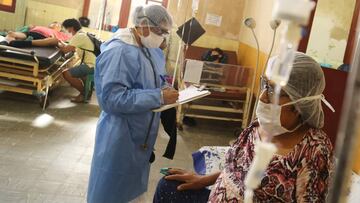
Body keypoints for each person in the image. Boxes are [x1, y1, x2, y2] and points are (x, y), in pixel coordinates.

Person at [154, 52, 334, 202]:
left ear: (300, 103)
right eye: (265, 84)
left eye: (274, 91)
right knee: (168, 185)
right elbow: (234, 170)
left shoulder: (313, 150)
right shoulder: (258, 127)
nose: (262, 97)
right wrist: (202, 180)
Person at [87, 5, 179, 203]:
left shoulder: (152, 51)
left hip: (141, 135)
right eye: (160, 31)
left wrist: (166, 89)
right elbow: (112, 99)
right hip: (119, 136)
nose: (163, 37)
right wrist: (159, 97)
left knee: (133, 189)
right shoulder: (119, 52)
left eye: (165, 32)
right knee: (111, 191)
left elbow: (156, 79)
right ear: (143, 25)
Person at [59, 18, 96, 103]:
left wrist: (56, 43)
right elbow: (72, 46)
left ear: (71, 28)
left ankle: (83, 94)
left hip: (91, 65)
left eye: (67, 29)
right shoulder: (83, 34)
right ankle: (86, 93)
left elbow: (66, 50)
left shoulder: (79, 36)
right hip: (95, 64)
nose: (68, 31)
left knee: (66, 73)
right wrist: (63, 44)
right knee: (79, 70)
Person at [1, 22, 70, 47]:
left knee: (54, 40)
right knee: (11, 33)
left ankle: (21, 43)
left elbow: (69, 39)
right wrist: (29, 27)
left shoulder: (60, 33)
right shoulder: (42, 27)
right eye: (54, 23)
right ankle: (4, 45)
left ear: (60, 29)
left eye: (57, 25)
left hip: (44, 38)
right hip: (30, 34)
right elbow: (25, 29)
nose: (55, 24)